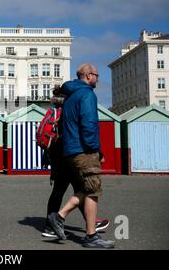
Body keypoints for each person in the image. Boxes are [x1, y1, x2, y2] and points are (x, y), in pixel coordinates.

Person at [48, 63, 115, 248]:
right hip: (84, 150)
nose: (98, 78)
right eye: (96, 75)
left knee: (86, 189)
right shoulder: (87, 94)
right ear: (87, 76)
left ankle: (64, 219)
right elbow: (89, 124)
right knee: (92, 190)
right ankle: (77, 228)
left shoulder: (70, 96)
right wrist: (96, 150)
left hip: (70, 150)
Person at [42, 86, 109, 238]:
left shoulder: (52, 112)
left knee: (61, 191)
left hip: (57, 157)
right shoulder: (70, 108)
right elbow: (83, 131)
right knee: (85, 189)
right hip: (70, 156)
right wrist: (99, 152)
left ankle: (50, 226)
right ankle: (69, 221)